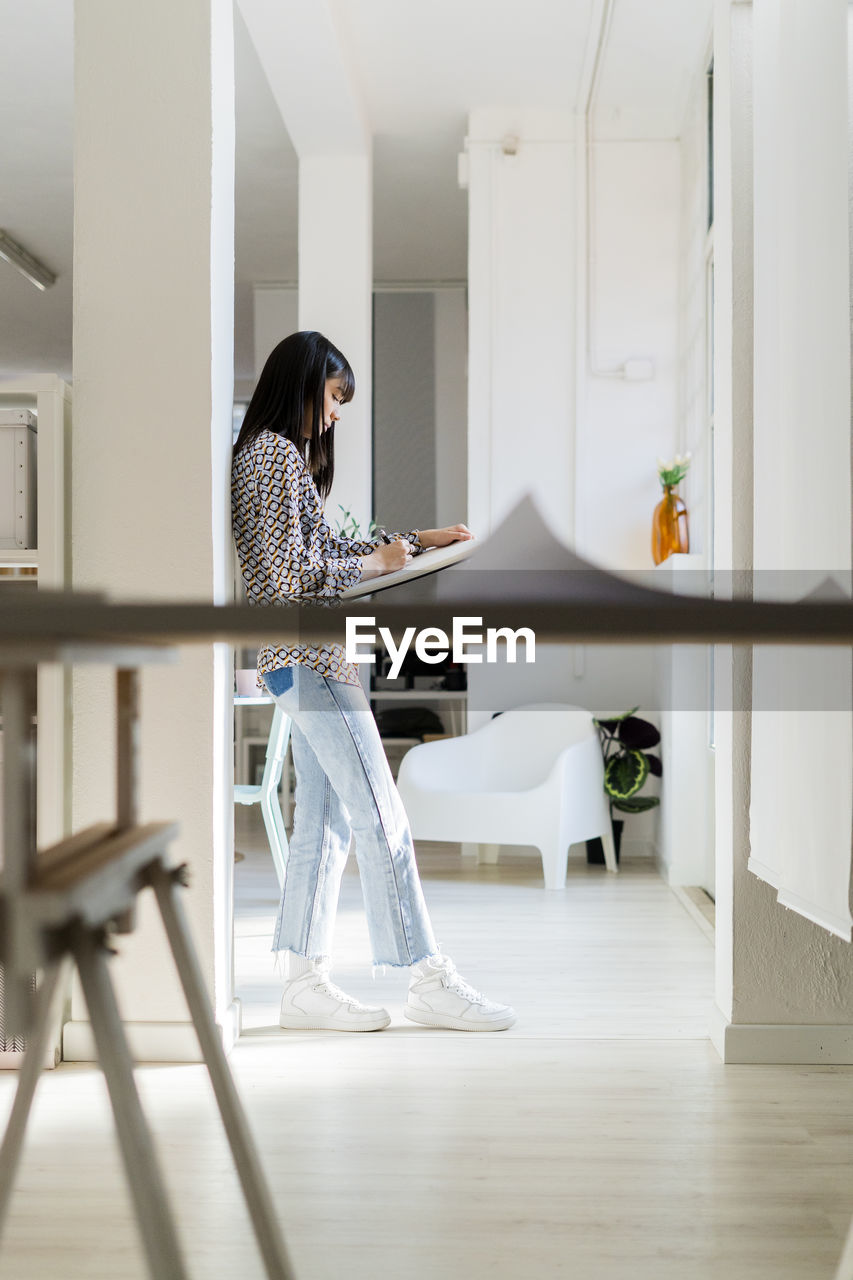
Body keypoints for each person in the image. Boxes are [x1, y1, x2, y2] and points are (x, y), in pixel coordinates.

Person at [231, 330, 516, 1033]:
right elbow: (290, 578)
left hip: (303, 660)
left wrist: (415, 542)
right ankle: (426, 977)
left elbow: (321, 551)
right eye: (332, 397)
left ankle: (302, 982)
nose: (334, 415)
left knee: (323, 826)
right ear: (301, 384)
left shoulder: (275, 458)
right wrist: (382, 564)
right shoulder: (270, 457)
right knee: (382, 818)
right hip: (312, 658)